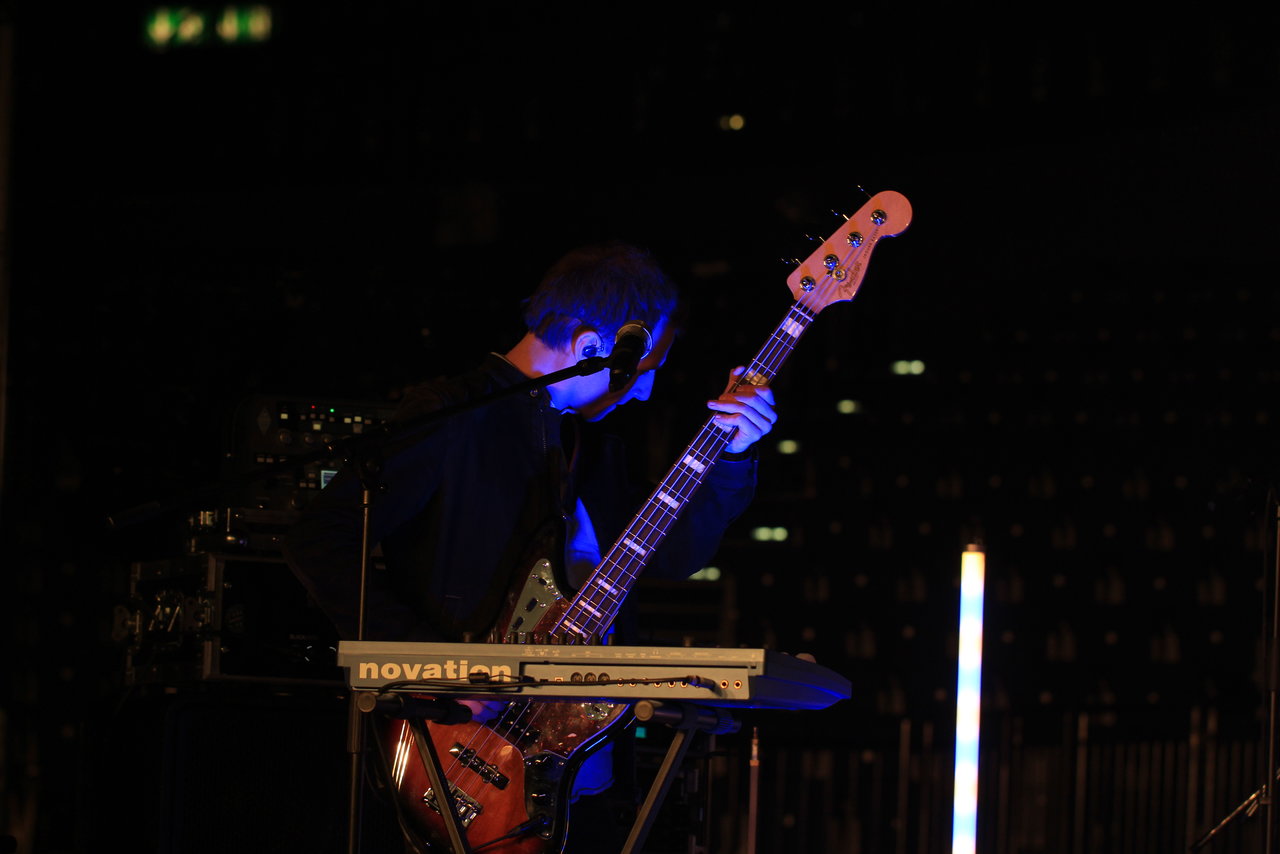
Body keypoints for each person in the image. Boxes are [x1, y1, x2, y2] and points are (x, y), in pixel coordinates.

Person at [283, 241, 777, 851]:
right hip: (456, 746)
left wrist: (733, 455)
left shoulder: (593, 447)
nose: (645, 392)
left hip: (581, 773)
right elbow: (319, 539)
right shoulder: (451, 416)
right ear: (590, 346)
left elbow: (675, 557)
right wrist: (435, 669)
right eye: (644, 369)